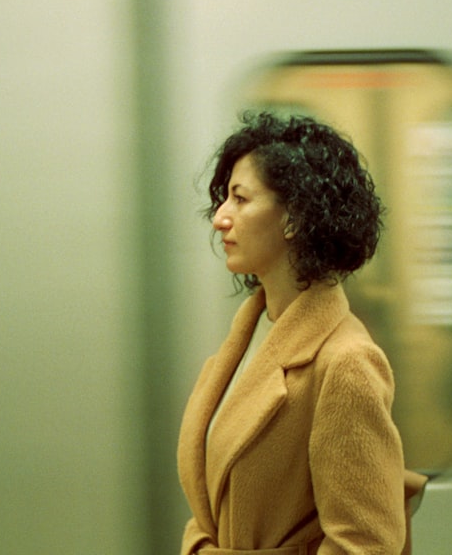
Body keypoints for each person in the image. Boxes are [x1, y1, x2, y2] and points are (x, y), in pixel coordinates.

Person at [177, 111, 417, 555]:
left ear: (295, 218)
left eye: (240, 199)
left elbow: (365, 544)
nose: (219, 218)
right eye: (223, 199)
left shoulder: (346, 363)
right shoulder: (252, 334)